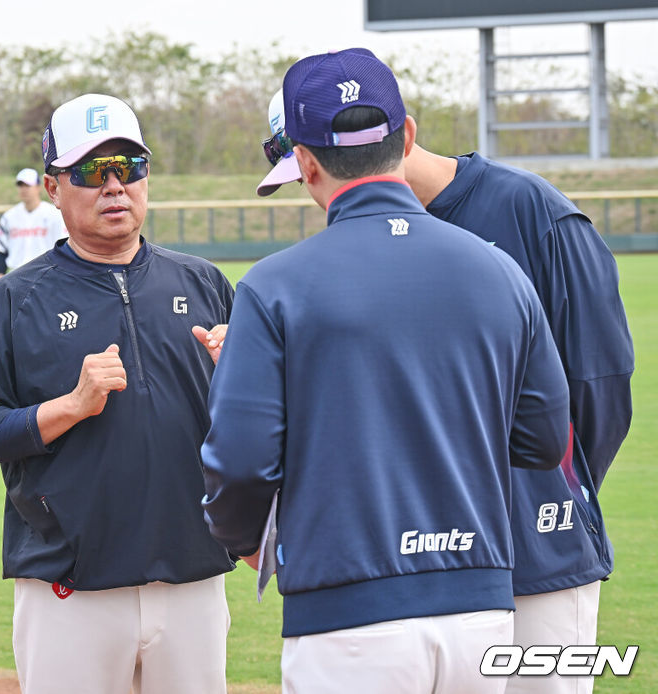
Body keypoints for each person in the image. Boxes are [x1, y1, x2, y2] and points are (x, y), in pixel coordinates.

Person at [200, 48, 571, 693]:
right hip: (480, 610)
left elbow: (239, 460)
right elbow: (544, 439)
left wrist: (243, 541)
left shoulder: (275, 286)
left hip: (345, 615)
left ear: (306, 163)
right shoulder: (500, 270)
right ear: (406, 136)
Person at [0, 93, 234, 694]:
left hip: (192, 578)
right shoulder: (13, 301)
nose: (113, 187)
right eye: (89, 172)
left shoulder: (204, 283)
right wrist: (70, 407)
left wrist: (241, 381)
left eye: (128, 168)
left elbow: (257, 426)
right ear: (53, 187)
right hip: (69, 586)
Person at [403, 141, 633, 694]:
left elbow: (599, 381)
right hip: (428, 561)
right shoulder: (367, 239)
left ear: (398, 137)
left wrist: (551, 483)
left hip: (540, 553)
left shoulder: (529, 207)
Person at [0, 167, 67, 278]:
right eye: (20, 185)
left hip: (47, 275)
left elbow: (65, 246)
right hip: (16, 275)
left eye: (27, 185)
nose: (23, 189)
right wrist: (0, 275)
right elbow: (2, 249)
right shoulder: (9, 217)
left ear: (38, 187)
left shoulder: (54, 214)